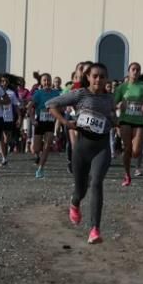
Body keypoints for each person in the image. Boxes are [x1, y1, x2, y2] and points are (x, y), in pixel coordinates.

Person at [47, 63, 117, 244]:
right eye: (95, 76)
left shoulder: (109, 98)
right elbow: (52, 104)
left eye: (102, 76)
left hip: (101, 146)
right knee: (81, 189)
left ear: (106, 79)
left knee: (96, 183)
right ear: (88, 77)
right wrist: (65, 122)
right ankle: (74, 202)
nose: (98, 80)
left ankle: (95, 229)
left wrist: (115, 120)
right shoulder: (80, 94)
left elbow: (111, 117)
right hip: (82, 148)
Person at [113, 63, 143, 186]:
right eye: (133, 69)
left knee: (135, 152)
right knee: (127, 148)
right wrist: (119, 105)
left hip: (139, 121)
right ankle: (127, 174)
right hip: (125, 120)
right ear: (128, 72)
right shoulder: (122, 87)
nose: (135, 72)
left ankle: (131, 160)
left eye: (138, 70)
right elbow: (113, 103)